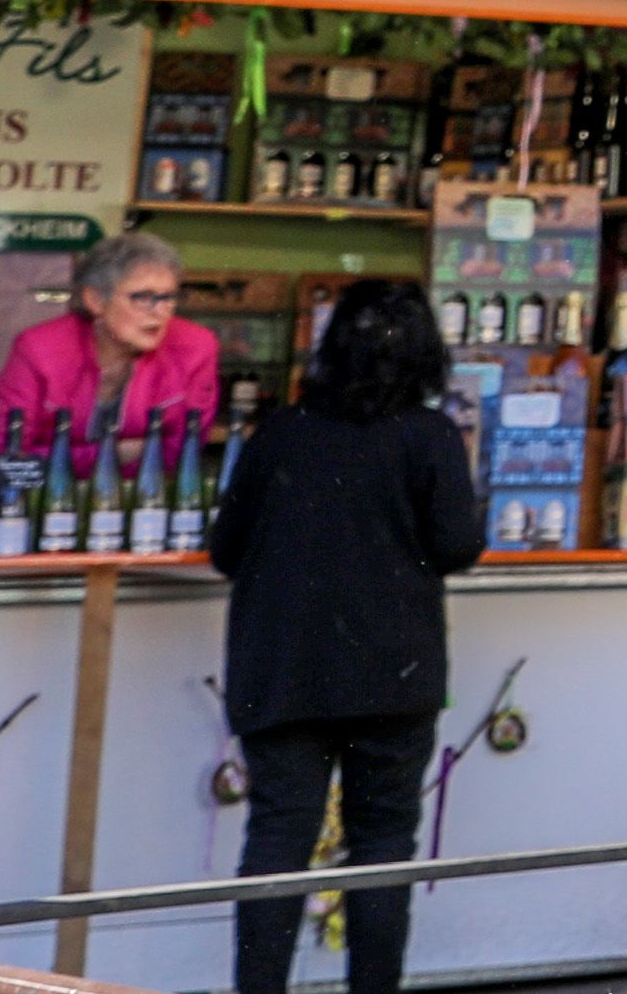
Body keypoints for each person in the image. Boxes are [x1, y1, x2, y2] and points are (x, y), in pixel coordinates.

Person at [209, 280, 484, 994]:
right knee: (385, 842)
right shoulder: (430, 436)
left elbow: (225, 548)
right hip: (395, 666)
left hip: (283, 665)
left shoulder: (280, 432)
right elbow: (458, 543)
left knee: (277, 838)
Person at [0, 228, 220, 515]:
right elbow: (7, 463)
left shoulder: (195, 347)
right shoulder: (39, 349)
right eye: (143, 297)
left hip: (142, 508)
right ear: (95, 300)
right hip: (37, 508)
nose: (160, 312)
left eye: (168, 297)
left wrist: (68, 457)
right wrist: (114, 452)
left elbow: (181, 455)